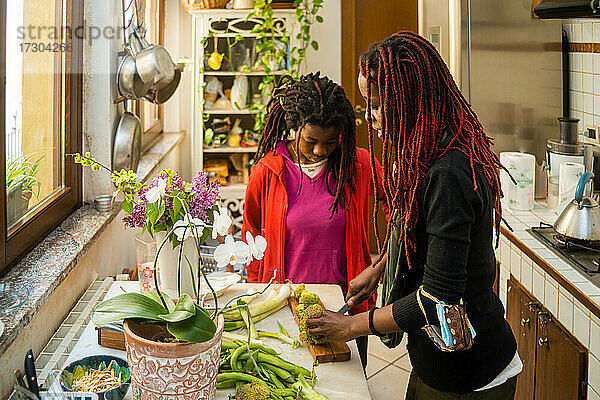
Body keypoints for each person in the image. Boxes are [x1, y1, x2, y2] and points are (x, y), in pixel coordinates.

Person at [305, 32, 521, 398]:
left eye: (375, 105)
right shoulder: (425, 152)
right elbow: (423, 235)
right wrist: (380, 269)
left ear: (408, 101)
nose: (368, 118)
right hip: (435, 361)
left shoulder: (449, 173)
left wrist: (350, 326)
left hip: (470, 375)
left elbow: (438, 297)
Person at [241, 72, 386, 368]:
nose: (320, 150)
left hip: (345, 308)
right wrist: (256, 300)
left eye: (331, 141)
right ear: (294, 129)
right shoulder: (266, 172)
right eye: (311, 141)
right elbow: (250, 236)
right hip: (283, 306)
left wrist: (381, 265)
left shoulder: (357, 165)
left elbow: (403, 210)